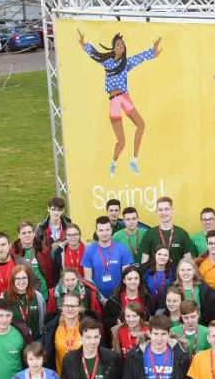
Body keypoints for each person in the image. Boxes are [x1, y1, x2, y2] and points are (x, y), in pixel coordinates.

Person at [79, 31, 161, 177]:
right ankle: (113, 164)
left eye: (122, 45)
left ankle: (134, 160)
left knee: (141, 125)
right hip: (114, 102)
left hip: (124, 97)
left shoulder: (126, 63)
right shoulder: (109, 62)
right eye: (118, 45)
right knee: (121, 142)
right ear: (114, 48)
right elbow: (96, 55)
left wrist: (152, 52)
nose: (121, 47)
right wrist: (85, 44)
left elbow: (139, 58)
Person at [0, 231, 39, 306]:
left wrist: (27, 299)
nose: (0, 249)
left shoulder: (23, 264)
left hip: (18, 311)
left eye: (3, 245)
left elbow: (36, 283)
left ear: (9, 245)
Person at [82, 216, 133, 302]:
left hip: (119, 297)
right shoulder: (89, 251)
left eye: (107, 230)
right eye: (101, 230)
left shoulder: (122, 249)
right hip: (97, 299)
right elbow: (88, 279)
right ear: (96, 232)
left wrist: (118, 296)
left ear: (111, 230)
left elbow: (127, 276)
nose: (104, 233)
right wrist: (101, 299)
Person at [139, 197, 195, 268]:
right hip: (155, 277)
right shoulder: (149, 234)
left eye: (166, 209)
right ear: (156, 211)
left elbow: (188, 261)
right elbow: (144, 260)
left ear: (172, 210)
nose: (163, 213)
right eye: (160, 210)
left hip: (177, 277)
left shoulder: (182, 234)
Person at [102, 265, 156, 336]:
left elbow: (152, 317)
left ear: (140, 280)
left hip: (144, 336)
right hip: (121, 337)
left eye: (136, 278)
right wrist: (115, 322)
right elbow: (107, 321)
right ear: (124, 281)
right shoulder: (114, 300)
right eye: (129, 279)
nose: (133, 281)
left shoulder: (148, 298)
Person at [12, 221, 55, 301]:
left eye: (29, 232)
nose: (27, 235)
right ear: (19, 235)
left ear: (34, 233)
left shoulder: (44, 250)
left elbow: (50, 272)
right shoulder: (14, 252)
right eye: (24, 233)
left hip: (42, 292)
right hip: (22, 292)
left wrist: (50, 287)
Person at [4, 265, 46, 341]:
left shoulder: (38, 296)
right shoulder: (4, 298)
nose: (21, 281)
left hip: (35, 341)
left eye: (24, 278)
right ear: (13, 280)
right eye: (18, 279)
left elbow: (42, 320)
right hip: (13, 342)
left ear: (28, 279)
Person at [170, 258, 215, 325]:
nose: (186, 273)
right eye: (182, 270)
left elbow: (211, 313)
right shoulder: (170, 288)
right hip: (177, 329)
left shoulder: (205, 289)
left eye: (189, 270)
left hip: (200, 329)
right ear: (178, 272)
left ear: (194, 271)